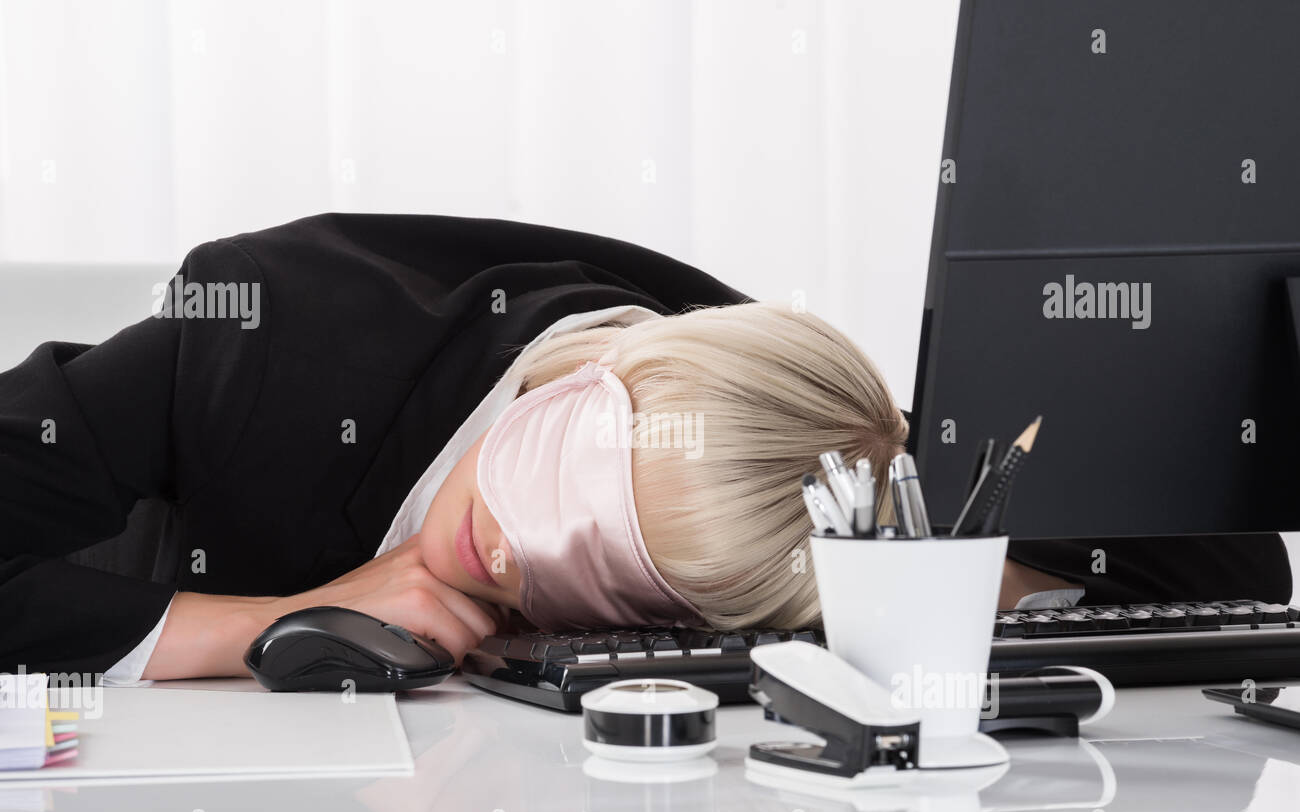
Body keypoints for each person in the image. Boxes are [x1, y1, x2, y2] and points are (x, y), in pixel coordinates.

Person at [0, 214, 1289, 682]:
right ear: (608, 363)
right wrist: (272, 626)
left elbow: (1228, 569)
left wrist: (914, 563)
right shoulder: (268, 332)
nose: (513, 550)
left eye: (608, 573)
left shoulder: (782, 461)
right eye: (564, 468)